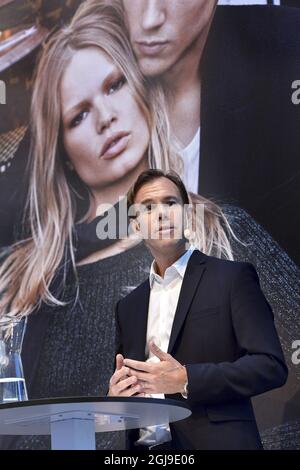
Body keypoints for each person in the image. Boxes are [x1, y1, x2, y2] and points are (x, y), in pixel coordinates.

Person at [0, 4, 236, 450]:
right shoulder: (21, 283)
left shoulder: (217, 232)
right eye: (79, 115)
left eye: (114, 85)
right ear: (63, 150)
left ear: (141, 91)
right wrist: (105, 430)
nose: (106, 117)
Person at [108, 169, 288, 450]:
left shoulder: (231, 278)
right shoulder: (128, 307)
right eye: (148, 208)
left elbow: (270, 366)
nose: (161, 214)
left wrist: (186, 379)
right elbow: (130, 387)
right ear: (135, 226)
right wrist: (117, 399)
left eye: (170, 203)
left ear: (187, 214)